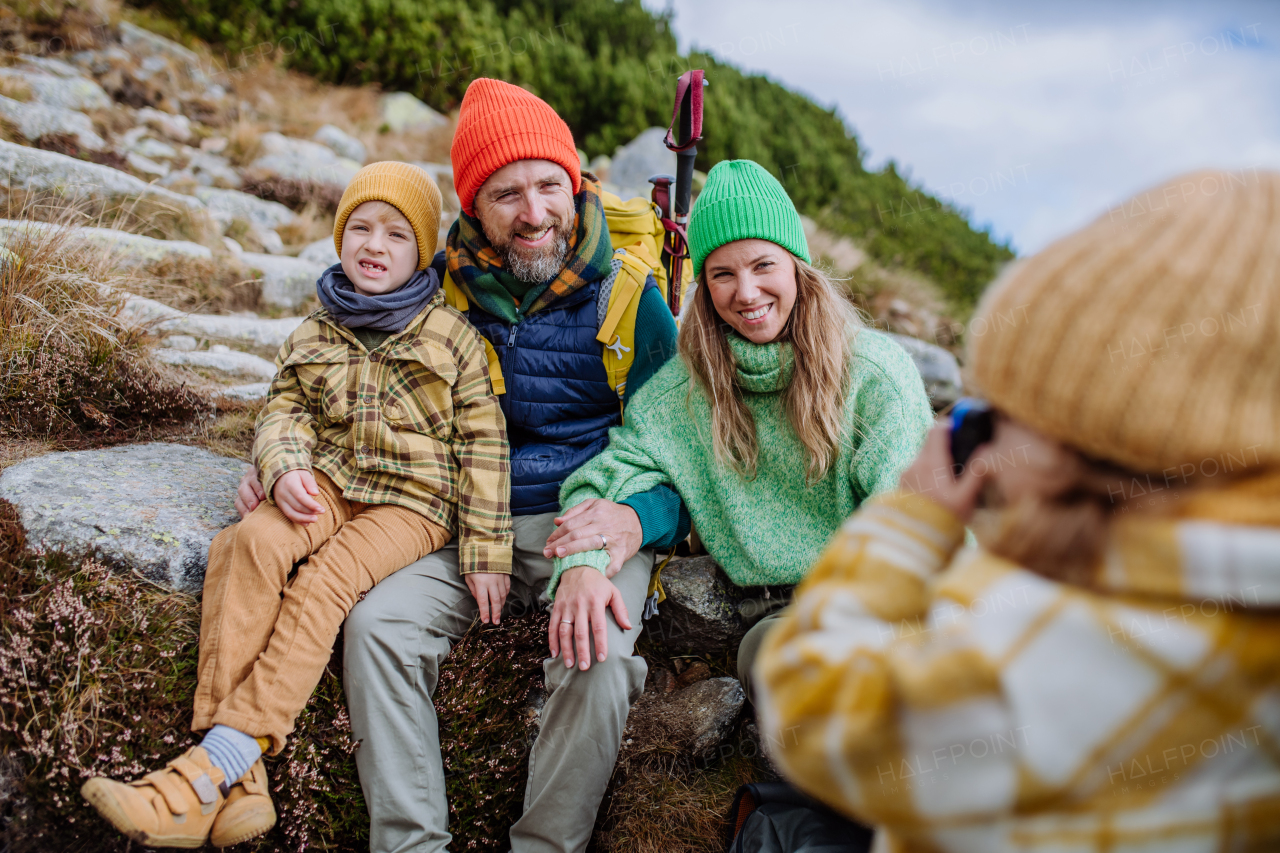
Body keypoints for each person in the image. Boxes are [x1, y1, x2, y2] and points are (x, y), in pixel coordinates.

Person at [756, 169, 1280, 852]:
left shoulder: (1063, 651)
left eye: (1007, 409)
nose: (974, 426)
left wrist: (908, 522)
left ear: (1095, 442)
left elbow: (811, 708)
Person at [233, 79, 684, 852]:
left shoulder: (632, 297)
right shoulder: (439, 285)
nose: (535, 212)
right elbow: (341, 378)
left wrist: (633, 520)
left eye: (550, 185)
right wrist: (281, 457)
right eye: (507, 193)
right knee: (377, 626)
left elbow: (683, 453)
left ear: (575, 185)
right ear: (473, 206)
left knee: (599, 656)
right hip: (458, 513)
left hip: (590, 512)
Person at [81, 162, 512, 849]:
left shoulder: (452, 337)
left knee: (327, 580)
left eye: (396, 235)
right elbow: (282, 410)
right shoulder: (314, 330)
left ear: (422, 251)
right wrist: (280, 466)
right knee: (248, 542)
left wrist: (488, 551)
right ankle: (239, 788)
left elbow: (486, 447)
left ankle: (197, 777)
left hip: (414, 505)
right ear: (339, 238)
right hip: (332, 482)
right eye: (360, 228)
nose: (375, 244)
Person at [547, 159, 933, 697]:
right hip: (777, 622)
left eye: (763, 265)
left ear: (797, 265)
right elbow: (609, 478)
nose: (746, 292)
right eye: (722, 274)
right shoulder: (682, 392)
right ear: (704, 287)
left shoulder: (873, 375)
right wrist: (586, 564)